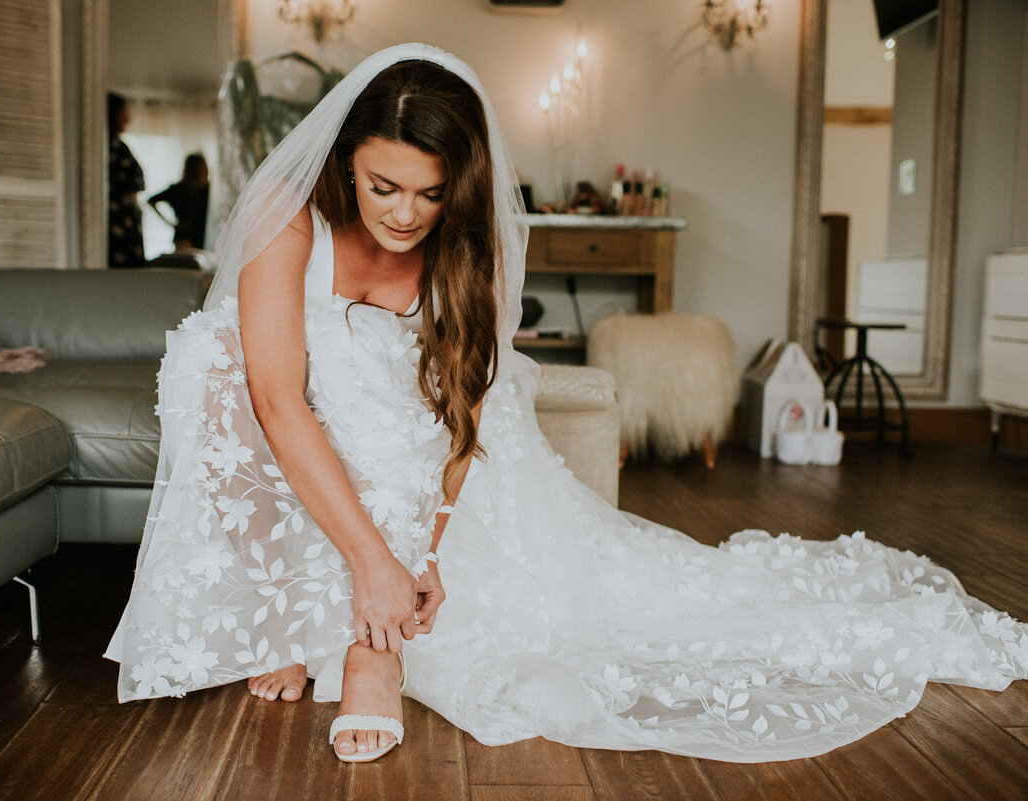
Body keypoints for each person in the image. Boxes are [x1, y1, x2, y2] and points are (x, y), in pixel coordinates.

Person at [106, 44, 1026, 764]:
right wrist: (370, 561)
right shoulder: (289, 218)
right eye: (382, 186)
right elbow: (276, 399)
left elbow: (460, 418)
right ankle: (291, 613)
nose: (402, 214)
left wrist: (416, 558)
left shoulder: (470, 245)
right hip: (308, 448)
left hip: (424, 466)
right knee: (206, 358)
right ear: (346, 162)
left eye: (429, 194)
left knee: (408, 419)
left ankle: (369, 643)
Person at [107, 93, 146, 268]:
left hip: (128, 223)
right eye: (124, 113)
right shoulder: (110, 148)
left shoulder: (120, 147)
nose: (127, 118)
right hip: (118, 224)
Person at [148, 153, 211, 250]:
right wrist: (171, 223)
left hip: (204, 236)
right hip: (185, 238)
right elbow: (151, 201)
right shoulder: (178, 190)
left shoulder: (208, 191)